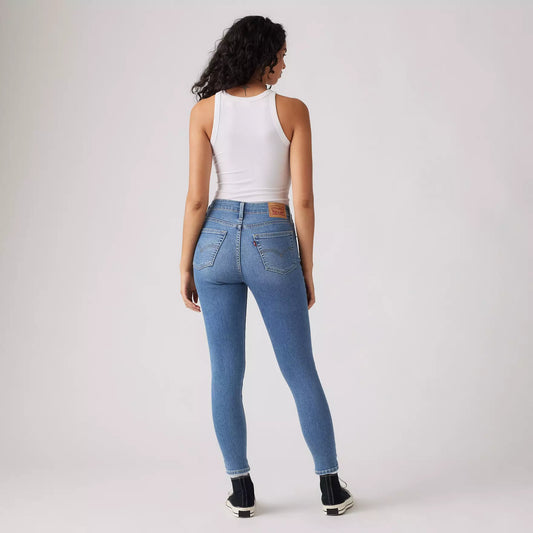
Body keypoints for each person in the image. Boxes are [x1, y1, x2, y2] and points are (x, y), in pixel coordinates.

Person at [180, 15, 354, 517]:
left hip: (213, 239)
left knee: (225, 372)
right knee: (299, 369)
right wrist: (306, 265)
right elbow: (305, 200)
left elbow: (196, 199)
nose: (283, 66)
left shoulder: (205, 112)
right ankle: (330, 488)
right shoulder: (292, 111)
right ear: (263, 58)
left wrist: (186, 263)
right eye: (279, 57)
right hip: (273, 234)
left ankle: (241, 491)